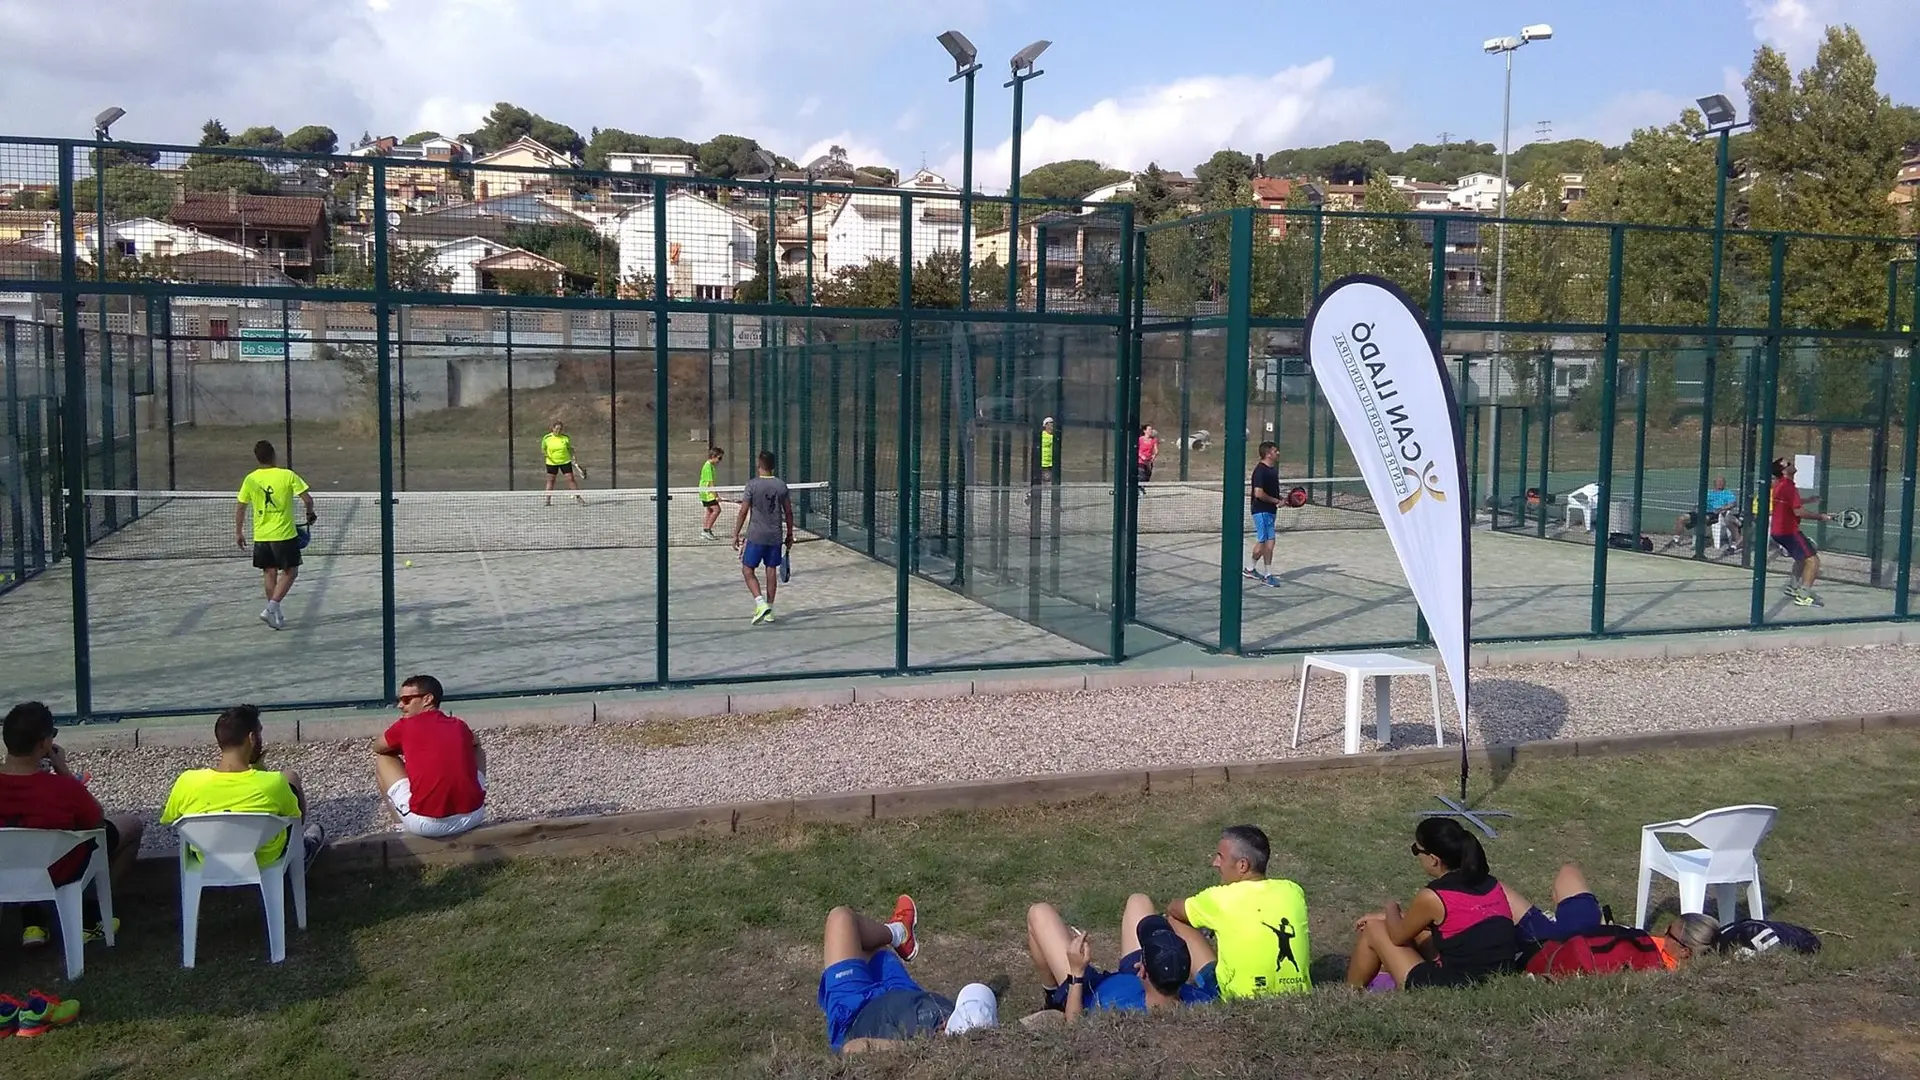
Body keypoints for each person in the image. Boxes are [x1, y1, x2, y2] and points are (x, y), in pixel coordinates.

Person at [0, 701, 144, 949]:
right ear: (44, 743)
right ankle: (91, 913)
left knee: (17, 839)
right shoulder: (62, 788)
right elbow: (96, 821)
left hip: (5, 871)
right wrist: (63, 770)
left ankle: (33, 922)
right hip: (55, 872)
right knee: (130, 825)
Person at [1346, 817, 1522, 990]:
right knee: (1422, 935)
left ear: (1433, 859)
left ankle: (1349, 995)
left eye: (1417, 850)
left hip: (1457, 986)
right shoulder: (1491, 884)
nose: (1416, 855)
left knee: (1373, 929)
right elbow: (1456, 923)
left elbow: (1396, 936)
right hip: (1496, 978)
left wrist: (1391, 908)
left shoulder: (1434, 897)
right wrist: (1392, 917)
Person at [818, 894, 998, 1054]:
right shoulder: (954, 1016)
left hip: (855, 1010)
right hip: (904, 992)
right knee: (871, 944)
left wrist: (920, 1048)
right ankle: (899, 933)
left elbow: (852, 1049)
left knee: (841, 918)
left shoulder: (927, 1047)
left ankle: (898, 931)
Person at [159, 704, 325, 870]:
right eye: (260, 732)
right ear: (252, 738)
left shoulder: (187, 781)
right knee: (291, 778)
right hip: (265, 860)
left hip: (207, 859)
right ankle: (303, 852)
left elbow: (171, 818)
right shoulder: (273, 782)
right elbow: (295, 818)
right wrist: (260, 770)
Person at [1167, 825, 1313, 1000]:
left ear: (1242, 865)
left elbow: (1174, 908)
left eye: (1220, 857)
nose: (1215, 863)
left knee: (1174, 920)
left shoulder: (1220, 898)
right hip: (1298, 995)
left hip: (1239, 997)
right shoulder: (1293, 891)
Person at [1027, 894, 1219, 1019]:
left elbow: (1075, 1029)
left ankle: (1053, 997)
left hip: (1087, 990)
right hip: (1134, 981)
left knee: (1038, 913)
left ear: (1141, 969)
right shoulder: (1200, 998)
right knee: (1139, 901)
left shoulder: (1119, 1015)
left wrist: (1077, 973)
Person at [1502, 861, 1719, 970]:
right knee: (1569, 871)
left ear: (1685, 952)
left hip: (1560, 945)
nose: (1663, 933)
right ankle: (1550, 920)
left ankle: (1540, 926)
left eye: (1669, 932)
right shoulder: (1674, 954)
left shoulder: (1657, 968)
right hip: (1594, 933)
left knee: (1495, 889)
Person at [371, 674, 486, 839]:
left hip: (427, 824)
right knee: (477, 750)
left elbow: (377, 746)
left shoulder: (405, 726)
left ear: (428, 699)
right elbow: (475, 742)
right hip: (474, 815)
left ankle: (400, 826)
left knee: (384, 759)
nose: (400, 705)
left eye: (406, 700)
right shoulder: (458, 724)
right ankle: (469, 794)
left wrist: (406, 748)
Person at [235, 439, 314, 631]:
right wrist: (310, 514)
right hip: (284, 534)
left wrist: (238, 532)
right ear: (273, 455)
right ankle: (271, 607)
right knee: (291, 572)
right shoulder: (287, 475)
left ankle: (275, 613)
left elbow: (240, 507)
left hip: (261, 536)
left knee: (269, 572)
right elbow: (307, 500)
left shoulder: (250, 479)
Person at [733, 450, 794, 626]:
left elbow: (743, 511)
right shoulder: (781, 486)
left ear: (759, 464)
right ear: (773, 466)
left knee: (747, 570)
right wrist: (790, 534)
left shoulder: (752, 485)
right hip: (775, 536)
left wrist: (736, 533)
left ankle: (760, 603)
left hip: (755, 536)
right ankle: (770, 611)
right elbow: (788, 513)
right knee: (771, 570)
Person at [1769, 457, 1832, 607]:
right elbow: (1798, 512)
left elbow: (1790, 502)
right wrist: (1820, 517)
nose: (1792, 463)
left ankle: (1793, 587)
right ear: (1784, 471)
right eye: (1788, 464)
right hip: (1788, 531)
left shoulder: (1780, 485)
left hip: (1778, 531)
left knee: (1801, 559)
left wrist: (1808, 500)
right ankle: (1803, 595)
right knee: (1813, 561)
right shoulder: (1788, 487)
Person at [1667, 474, 1740, 552]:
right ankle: (1676, 540)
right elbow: (1698, 503)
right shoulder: (1708, 492)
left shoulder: (1727, 493)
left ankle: (1699, 543)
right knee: (1681, 518)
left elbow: (1733, 503)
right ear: (1714, 483)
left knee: (1702, 520)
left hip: (1714, 514)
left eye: (1722, 482)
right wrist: (1696, 508)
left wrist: (1722, 508)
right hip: (1701, 511)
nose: (1720, 484)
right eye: (1718, 482)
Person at [1246, 441, 1284, 586]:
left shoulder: (1272, 470)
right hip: (1261, 511)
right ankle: (1265, 574)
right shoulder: (1261, 471)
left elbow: (1270, 491)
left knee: (1267, 543)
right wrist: (1275, 501)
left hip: (1270, 511)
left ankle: (1253, 569)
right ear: (1268, 454)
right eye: (1275, 451)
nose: (1278, 453)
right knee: (1266, 542)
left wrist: (1280, 499)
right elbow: (1259, 494)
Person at [541, 420, 585, 507]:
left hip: (565, 461)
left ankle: (578, 498)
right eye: (556, 429)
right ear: (552, 429)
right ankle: (547, 500)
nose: (558, 431)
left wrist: (574, 457)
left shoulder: (565, 438)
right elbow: (543, 449)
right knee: (551, 481)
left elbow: (570, 449)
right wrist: (545, 454)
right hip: (551, 463)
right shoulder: (546, 438)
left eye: (560, 429)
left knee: (571, 480)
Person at [1026, 417, 1057, 506]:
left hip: (1050, 463)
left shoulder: (1053, 436)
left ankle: (1031, 494)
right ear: (1046, 426)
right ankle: (1054, 503)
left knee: (1044, 482)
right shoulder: (1042, 435)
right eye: (1050, 425)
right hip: (1043, 464)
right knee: (1048, 482)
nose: (1052, 428)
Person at [698, 446, 725, 540]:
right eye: (719, 458)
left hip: (705, 493)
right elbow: (710, 483)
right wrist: (716, 495)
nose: (720, 460)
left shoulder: (710, 466)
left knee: (710, 510)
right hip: (707, 493)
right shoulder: (708, 466)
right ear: (713, 456)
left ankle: (705, 530)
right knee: (717, 510)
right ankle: (707, 530)